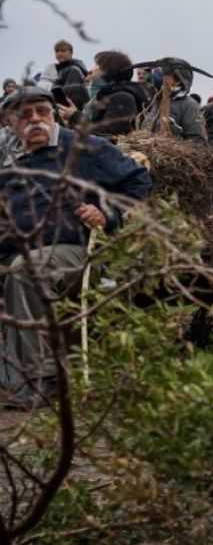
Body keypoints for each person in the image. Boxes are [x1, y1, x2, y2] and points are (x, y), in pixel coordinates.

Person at [0, 87, 151, 409]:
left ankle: (41, 380)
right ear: (11, 122)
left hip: (73, 251)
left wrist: (107, 214)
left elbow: (137, 181)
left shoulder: (82, 147)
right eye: (25, 115)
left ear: (53, 114)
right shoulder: (9, 157)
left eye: (42, 111)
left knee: (25, 271)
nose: (35, 119)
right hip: (14, 248)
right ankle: (11, 373)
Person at [84, 50, 148, 138]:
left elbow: (109, 135)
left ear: (108, 69)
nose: (91, 70)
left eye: (96, 65)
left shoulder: (122, 98)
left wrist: (75, 117)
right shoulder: (103, 94)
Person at [142, 62, 205, 145]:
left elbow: (196, 143)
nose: (157, 75)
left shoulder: (189, 105)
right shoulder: (157, 102)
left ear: (178, 80)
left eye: (162, 72)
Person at [38, 40, 89, 117]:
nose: (59, 53)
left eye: (63, 51)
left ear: (71, 53)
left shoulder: (72, 70)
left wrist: (72, 115)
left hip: (68, 113)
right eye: (57, 51)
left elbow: (73, 96)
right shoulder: (58, 69)